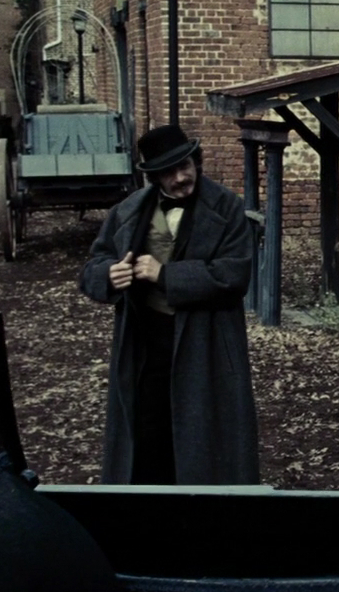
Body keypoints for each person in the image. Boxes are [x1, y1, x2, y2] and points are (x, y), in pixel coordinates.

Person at [79, 124, 258, 485]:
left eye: (185, 166)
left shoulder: (227, 207)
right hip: (145, 343)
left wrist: (165, 275)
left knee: (204, 440)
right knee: (148, 434)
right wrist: (109, 275)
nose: (180, 178)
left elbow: (234, 275)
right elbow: (93, 266)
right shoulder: (128, 211)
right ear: (154, 177)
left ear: (196, 162)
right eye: (168, 172)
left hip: (206, 343)